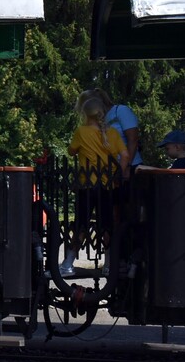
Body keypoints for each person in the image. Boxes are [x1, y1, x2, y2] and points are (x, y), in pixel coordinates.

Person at [61, 95, 129, 276]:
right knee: (107, 225)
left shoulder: (81, 132)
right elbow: (125, 156)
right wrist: (117, 175)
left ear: (85, 114)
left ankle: (68, 263)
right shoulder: (113, 133)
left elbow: (71, 151)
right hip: (108, 185)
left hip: (87, 185)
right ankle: (108, 265)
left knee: (81, 225)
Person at [81, 88, 142, 170]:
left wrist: (126, 167)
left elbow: (133, 139)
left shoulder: (121, 111)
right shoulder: (98, 120)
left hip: (131, 167)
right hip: (110, 169)